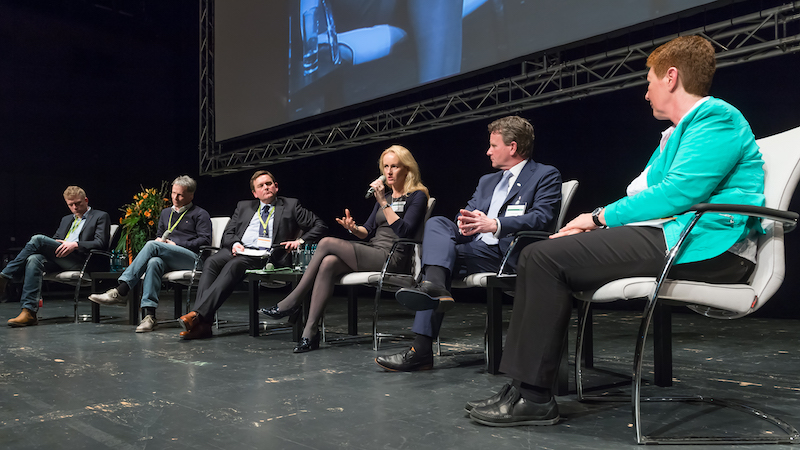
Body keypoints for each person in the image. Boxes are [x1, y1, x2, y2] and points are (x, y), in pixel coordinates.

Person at [466, 35, 766, 427]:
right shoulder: (677, 133)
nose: (646, 94)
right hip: (672, 235)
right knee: (544, 254)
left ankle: (534, 396)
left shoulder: (717, 117)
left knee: (541, 256)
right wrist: (590, 229)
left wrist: (595, 218)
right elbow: (645, 191)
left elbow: (678, 193)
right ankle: (525, 387)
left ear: (671, 77)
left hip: (707, 246)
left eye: (650, 82)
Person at [375, 115, 562, 371]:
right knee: (439, 224)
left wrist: (495, 224)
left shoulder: (544, 174)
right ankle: (436, 288)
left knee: (433, 268)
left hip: (508, 253)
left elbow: (543, 217)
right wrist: (465, 223)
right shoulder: (488, 181)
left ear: (513, 147)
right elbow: (468, 214)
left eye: (493, 146)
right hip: (476, 249)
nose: (488, 151)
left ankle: (421, 347)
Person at [260, 145, 430, 352]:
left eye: (394, 166)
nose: (389, 172)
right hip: (374, 250)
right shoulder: (384, 197)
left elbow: (404, 231)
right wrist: (353, 228)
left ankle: (293, 300)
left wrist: (383, 203)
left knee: (326, 242)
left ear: (406, 168)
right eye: (385, 166)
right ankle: (309, 333)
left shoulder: (417, 196)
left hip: (394, 258)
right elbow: (367, 230)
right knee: (329, 263)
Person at [177, 170, 327, 340]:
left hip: (266, 256)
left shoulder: (291, 205)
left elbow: (319, 225)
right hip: (241, 250)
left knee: (235, 265)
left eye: (269, 184)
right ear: (255, 193)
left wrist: (299, 241)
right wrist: (235, 244)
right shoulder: (243, 207)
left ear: (276, 187)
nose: (266, 187)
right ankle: (203, 323)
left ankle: (197, 316)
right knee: (212, 261)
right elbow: (228, 233)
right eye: (261, 186)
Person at [87, 176, 212, 332]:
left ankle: (122, 290)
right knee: (154, 262)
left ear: (191, 195)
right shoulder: (166, 213)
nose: (175, 197)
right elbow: (160, 234)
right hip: (170, 257)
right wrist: (162, 241)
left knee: (152, 245)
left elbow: (205, 241)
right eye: (173, 193)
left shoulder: (200, 214)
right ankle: (149, 315)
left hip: (193, 259)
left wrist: (176, 244)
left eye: (180, 195)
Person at [1, 186, 110, 327]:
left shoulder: (100, 216)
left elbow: (101, 243)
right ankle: (29, 312)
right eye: (71, 204)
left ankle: (5, 276)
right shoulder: (66, 219)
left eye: (78, 203)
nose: (75, 207)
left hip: (82, 259)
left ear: (86, 200)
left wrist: (75, 244)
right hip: (62, 258)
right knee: (34, 259)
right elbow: (56, 239)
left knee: (38, 239)